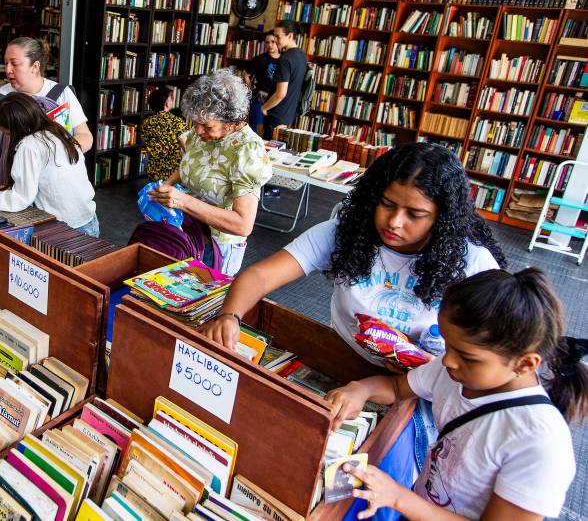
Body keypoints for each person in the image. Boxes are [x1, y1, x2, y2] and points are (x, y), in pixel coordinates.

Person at [325, 268, 586, 520]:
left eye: (467, 357)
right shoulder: (453, 371)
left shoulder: (540, 443)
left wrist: (398, 498)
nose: (447, 360)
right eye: (448, 345)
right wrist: (362, 389)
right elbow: (396, 388)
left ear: (525, 364)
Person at [201, 143, 506, 357]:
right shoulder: (345, 232)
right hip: (344, 358)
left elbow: (495, 352)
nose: (395, 222)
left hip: (420, 384)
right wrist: (229, 315)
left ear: (443, 217)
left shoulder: (473, 262)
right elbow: (260, 276)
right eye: (386, 204)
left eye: (415, 214)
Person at [147, 69, 272, 276]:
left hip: (217, 245)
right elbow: (191, 164)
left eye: (206, 125)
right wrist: (165, 186)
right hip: (188, 231)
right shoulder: (202, 133)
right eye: (195, 122)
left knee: (202, 292)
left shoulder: (247, 150)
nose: (197, 130)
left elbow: (243, 224)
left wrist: (182, 201)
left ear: (230, 121)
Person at [0, 37, 92, 185]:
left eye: (14, 64)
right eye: (6, 63)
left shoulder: (62, 94)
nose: (8, 70)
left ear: (35, 66)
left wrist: (58, 152)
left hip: (58, 183)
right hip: (13, 185)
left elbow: (85, 136)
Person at [0, 92, 98, 237]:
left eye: (7, 134)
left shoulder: (29, 145)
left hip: (65, 229)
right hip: (89, 220)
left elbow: (20, 199)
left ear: (17, 128)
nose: (8, 139)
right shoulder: (58, 131)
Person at [261, 20, 307, 140]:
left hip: (276, 115)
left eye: (278, 37)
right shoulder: (302, 55)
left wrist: (264, 107)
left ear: (290, 36)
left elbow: (280, 94)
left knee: (269, 149)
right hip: (289, 115)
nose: (275, 40)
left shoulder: (285, 59)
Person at [141, 85, 187, 182]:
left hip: (154, 170)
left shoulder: (146, 123)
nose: (173, 100)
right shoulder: (176, 122)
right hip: (173, 172)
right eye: (171, 98)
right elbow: (186, 147)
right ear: (165, 102)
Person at [242, 31, 280, 136]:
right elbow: (245, 74)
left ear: (278, 42)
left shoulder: (284, 60)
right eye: (267, 42)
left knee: (272, 132)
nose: (270, 45)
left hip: (276, 101)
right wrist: (250, 89)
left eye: (273, 42)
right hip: (260, 100)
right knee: (257, 130)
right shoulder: (260, 59)